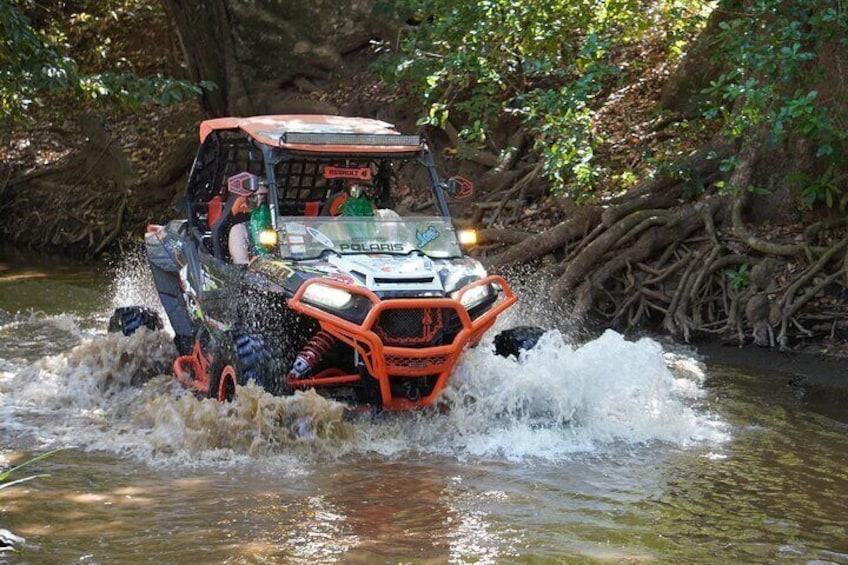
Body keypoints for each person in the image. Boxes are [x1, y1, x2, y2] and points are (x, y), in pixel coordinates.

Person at [228, 177, 272, 264]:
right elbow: (241, 268)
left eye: (265, 198)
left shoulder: (282, 227)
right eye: (255, 197)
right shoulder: (239, 230)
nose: (261, 202)